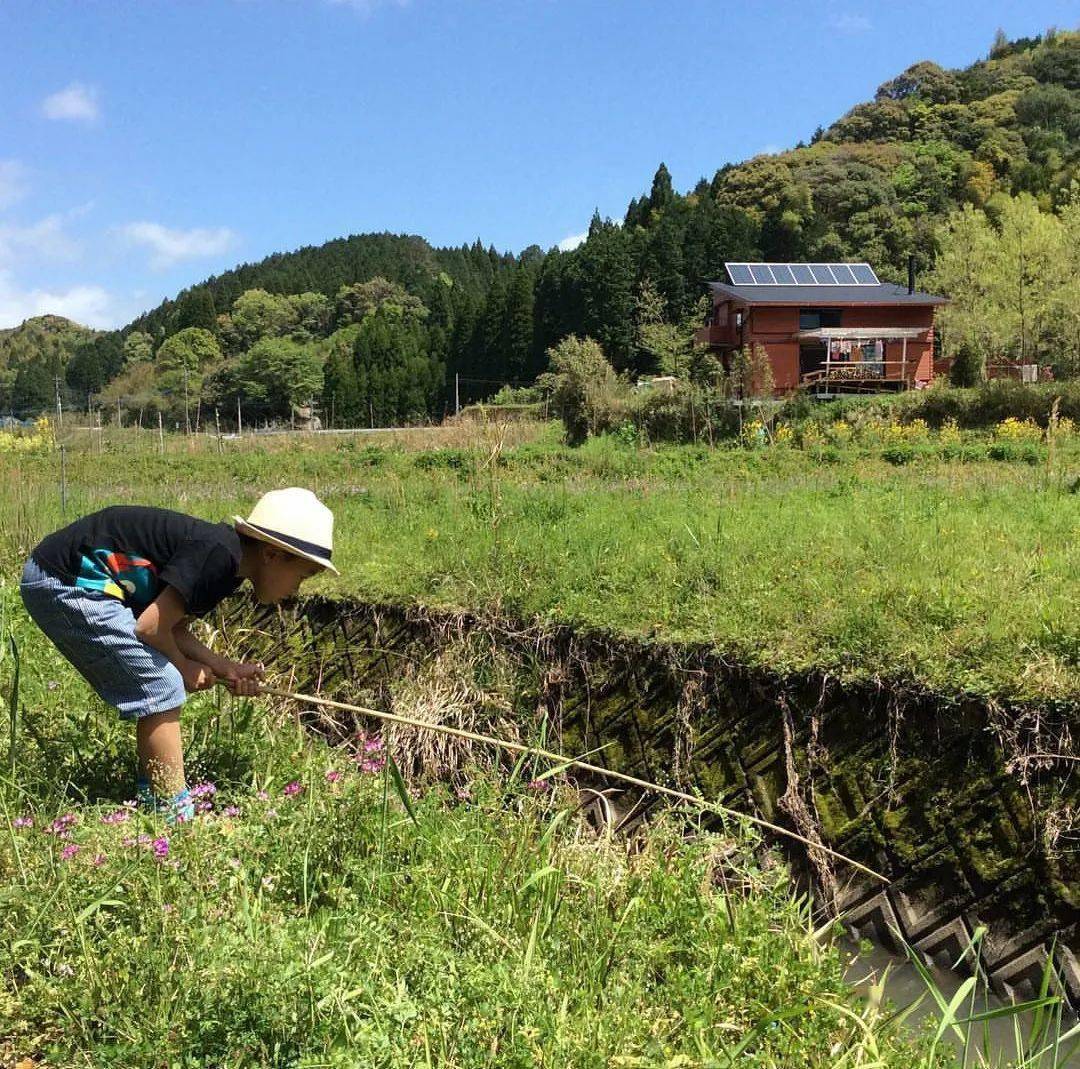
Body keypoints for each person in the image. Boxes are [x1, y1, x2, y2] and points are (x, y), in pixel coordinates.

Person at [19, 488, 338, 822]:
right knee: (162, 685)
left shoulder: (228, 565)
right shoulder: (218, 558)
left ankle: (154, 799)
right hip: (66, 581)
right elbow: (150, 627)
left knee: (162, 684)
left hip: (71, 577)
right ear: (272, 555)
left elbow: (170, 626)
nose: (297, 589)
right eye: (301, 576)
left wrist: (222, 666)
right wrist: (185, 667)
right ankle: (171, 811)